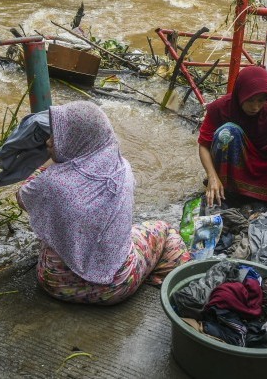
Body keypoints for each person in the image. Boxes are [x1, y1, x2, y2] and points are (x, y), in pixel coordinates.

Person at [18, 101, 190, 305]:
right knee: (164, 230)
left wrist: (49, 164)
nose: (49, 141)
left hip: (54, 282)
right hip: (115, 288)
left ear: (78, 140)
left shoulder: (51, 182)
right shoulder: (123, 169)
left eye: (59, 136)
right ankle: (173, 284)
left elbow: (22, 198)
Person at [197, 66, 267, 221]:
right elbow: (204, 145)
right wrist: (212, 176)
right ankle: (226, 188)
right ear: (239, 94)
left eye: (260, 101)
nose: (255, 107)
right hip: (236, 162)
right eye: (250, 100)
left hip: (262, 164)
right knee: (227, 133)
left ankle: (261, 196)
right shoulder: (220, 107)